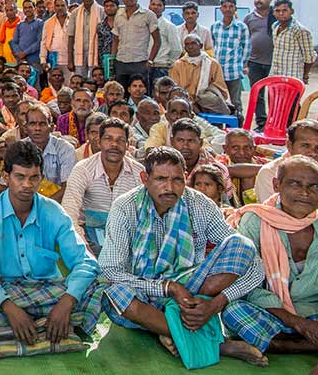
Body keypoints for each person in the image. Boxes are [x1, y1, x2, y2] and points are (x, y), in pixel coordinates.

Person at [99, 147, 269, 367]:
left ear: (185, 178)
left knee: (241, 244)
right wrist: (168, 288)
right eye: (161, 179)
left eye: (177, 179)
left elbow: (255, 265)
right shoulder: (125, 207)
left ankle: (167, 328)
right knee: (115, 294)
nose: (169, 187)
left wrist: (216, 304)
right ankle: (217, 342)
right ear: (145, 178)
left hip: (192, 292)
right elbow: (110, 270)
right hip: (144, 290)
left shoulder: (199, 204)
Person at [0, 139, 105, 358]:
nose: (27, 185)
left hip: (49, 290)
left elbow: (85, 262)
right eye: (20, 177)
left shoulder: (54, 212)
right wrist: (9, 308)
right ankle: (55, 331)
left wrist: (66, 303)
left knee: (100, 286)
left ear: (41, 177)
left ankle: (13, 335)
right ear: (6, 176)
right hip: (8, 290)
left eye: (34, 178)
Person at [225, 156, 318, 357]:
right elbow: (248, 286)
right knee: (233, 311)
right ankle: (308, 345)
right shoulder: (254, 222)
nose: (305, 193)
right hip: (272, 311)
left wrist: (315, 324)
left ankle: (277, 343)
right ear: (277, 185)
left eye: (313, 186)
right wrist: (303, 326)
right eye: (295, 184)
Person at [62, 118, 144, 254]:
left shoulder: (138, 172)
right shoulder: (83, 169)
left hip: (127, 237)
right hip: (89, 235)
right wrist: (84, 250)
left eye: (120, 140)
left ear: (127, 144)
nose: (114, 144)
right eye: (108, 139)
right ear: (99, 142)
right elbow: (69, 214)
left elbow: (146, 214)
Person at [255, 119, 318, 205]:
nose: (313, 153)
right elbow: (273, 213)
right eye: (305, 146)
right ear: (289, 146)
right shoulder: (270, 173)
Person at [111, 0, 159, 93]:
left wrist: (150, 60)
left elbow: (157, 41)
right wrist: (113, 61)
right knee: (120, 94)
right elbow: (115, 40)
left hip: (140, 62)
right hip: (121, 62)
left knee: (140, 95)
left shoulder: (148, 15)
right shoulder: (119, 15)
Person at [24, 103, 76, 201]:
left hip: (57, 205)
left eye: (42, 124)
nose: (37, 128)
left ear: (52, 127)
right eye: (32, 124)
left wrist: (43, 207)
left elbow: (68, 187)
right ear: (26, 127)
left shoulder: (65, 149)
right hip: (25, 203)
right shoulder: (19, 148)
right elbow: (7, 185)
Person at [211, 0, 250, 121]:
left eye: (231, 7)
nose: (228, 9)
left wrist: (242, 65)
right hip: (218, 73)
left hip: (233, 71)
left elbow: (246, 47)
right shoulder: (215, 26)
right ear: (221, 9)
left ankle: (239, 127)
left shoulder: (241, 27)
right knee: (217, 101)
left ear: (235, 9)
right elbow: (212, 46)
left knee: (236, 102)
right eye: (225, 7)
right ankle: (219, 126)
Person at [169, 34, 230, 113]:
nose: (190, 47)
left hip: (206, 103)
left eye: (193, 43)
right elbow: (175, 89)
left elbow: (219, 87)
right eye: (187, 44)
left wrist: (200, 99)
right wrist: (190, 102)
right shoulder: (178, 65)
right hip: (184, 102)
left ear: (201, 46)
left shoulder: (212, 64)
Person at [245, 0, 275, 130]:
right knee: (257, 94)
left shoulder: (276, 16)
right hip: (255, 62)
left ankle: (275, 123)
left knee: (275, 95)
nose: (258, 1)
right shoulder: (249, 18)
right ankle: (261, 124)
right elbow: (245, 40)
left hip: (274, 63)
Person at [269, 0, 316, 89]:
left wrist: (305, 76)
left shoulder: (300, 30)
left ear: (292, 11)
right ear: (274, 12)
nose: (281, 13)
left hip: (292, 76)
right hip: (275, 74)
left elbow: (309, 57)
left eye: (284, 10)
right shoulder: (275, 26)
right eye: (277, 11)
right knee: (275, 102)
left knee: (292, 102)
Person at [148, 0, 182, 93]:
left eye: (159, 5)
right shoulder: (144, 24)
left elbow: (177, 49)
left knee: (159, 96)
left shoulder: (168, 26)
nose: (155, 7)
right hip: (145, 66)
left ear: (163, 8)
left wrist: (168, 63)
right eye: (153, 4)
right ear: (149, 6)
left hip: (160, 67)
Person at [67, 0, 103, 78]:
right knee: (79, 79)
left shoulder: (101, 11)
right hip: (79, 53)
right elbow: (70, 36)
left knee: (94, 79)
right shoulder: (75, 13)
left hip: (96, 53)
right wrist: (70, 60)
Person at [40, 0, 70, 71]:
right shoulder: (48, 23)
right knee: (53, 82)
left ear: (67, 6)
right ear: (54, 7)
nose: (60, 8)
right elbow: (43, 42)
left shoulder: (74, 20)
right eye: (57, 6)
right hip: (53, 60)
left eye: (62, 5)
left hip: (70, 60)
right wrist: (43, 60)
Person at [10, 0, 43, 66]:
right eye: (25, 8)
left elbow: (40, 42)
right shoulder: (19, 25)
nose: (27, 9)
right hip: (21, 60)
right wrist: (19, 53)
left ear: (35, 8)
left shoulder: (40, 23)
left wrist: (25, 53)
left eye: (30, 7)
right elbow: (14, 42)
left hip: (34, 59)